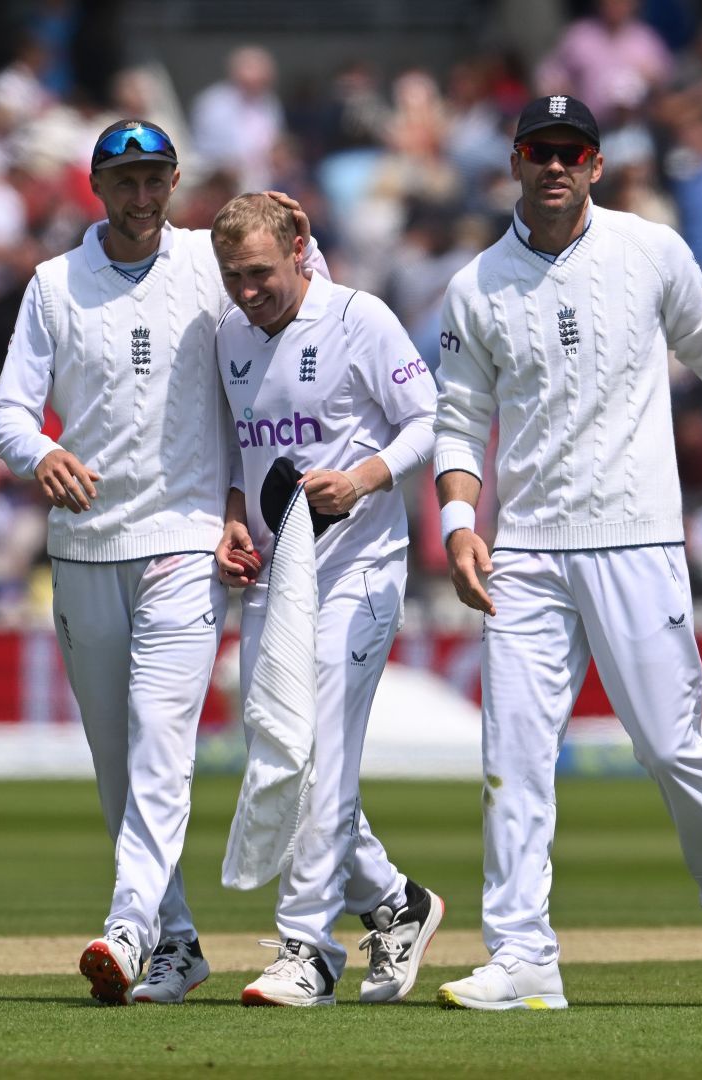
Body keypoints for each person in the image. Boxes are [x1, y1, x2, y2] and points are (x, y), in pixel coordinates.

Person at [0, 122, 392, 1007]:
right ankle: (175, 940)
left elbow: (291, 295)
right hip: (86, 548)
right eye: (125, 180)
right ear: (96, 183)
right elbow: (9, 410)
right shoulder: (54, 285)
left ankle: (128, 927)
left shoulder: (211, 270)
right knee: (116, 761)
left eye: (155, 180)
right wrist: (38, 454)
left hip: (183, 543)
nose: (141, 196)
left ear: (174, 182)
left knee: (162, 751)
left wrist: (302, 231)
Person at [431, 94, 702, 1011]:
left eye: (571, 151)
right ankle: (521, 956)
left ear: (594, 163)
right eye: (539, 151)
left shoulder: (650, 248)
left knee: (674, 752)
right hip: (531, 551)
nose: (554, 165)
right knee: (512, 755)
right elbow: (460, 421)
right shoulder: (476, 285)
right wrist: (460, 525)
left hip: (638, 538)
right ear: (514, 161)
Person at [208, 194, 445, 1007]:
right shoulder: (230, 336)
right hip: (278, 574)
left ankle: (307, 949)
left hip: (361, 567)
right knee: (283, 749)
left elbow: (427, 420)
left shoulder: (360, 317)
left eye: (261, 275)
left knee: (322, 754)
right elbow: (240, 451)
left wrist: (365, 476)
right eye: (233, 276)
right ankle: (394, 901)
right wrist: (233, 523)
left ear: (301, 250)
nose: (247, 292)